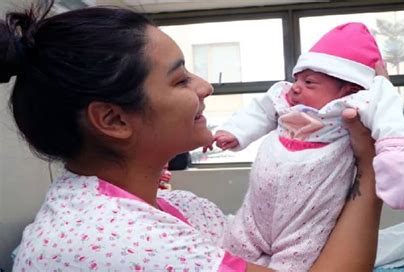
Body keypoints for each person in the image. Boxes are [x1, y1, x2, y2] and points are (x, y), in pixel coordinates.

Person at [1, 2, 382, 271]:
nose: (204, 87)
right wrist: (371, 163)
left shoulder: (174, 209)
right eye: (180, 79)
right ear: (114, 119)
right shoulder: (121, 242)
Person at [211, 23, 404, 271]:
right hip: (257, 212)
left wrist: (397, 158)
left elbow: (389, 118)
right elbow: (258, 111)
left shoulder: (352, 105)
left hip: (307, 215)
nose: (296, 87)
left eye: (310, 82)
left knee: (298, 255)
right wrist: (235, 132)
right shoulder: (283, 98)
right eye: (296, 78)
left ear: (349, 88)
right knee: (236, 244)